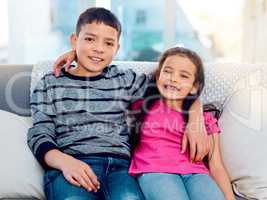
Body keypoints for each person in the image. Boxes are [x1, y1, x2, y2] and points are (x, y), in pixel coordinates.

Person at [28, 7, 209, 200]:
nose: (98, 48)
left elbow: (174, 89)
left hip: (119, 169)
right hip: (72, 164)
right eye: (89, 39)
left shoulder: (123, 78)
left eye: (108, 43)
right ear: (74, 40)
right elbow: (40, 134)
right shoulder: (50, 83)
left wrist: (195, 121)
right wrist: (65, 162)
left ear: (117, 49)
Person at [128, 47, 235, 200]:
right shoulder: (142, 105)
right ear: (158, 76)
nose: (173, 78)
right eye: (167, 71)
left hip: (196, 173)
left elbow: (216, 165)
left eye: (183, 76)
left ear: (194, 87)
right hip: (156, 170)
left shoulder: (204, 119)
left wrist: (230, 197)